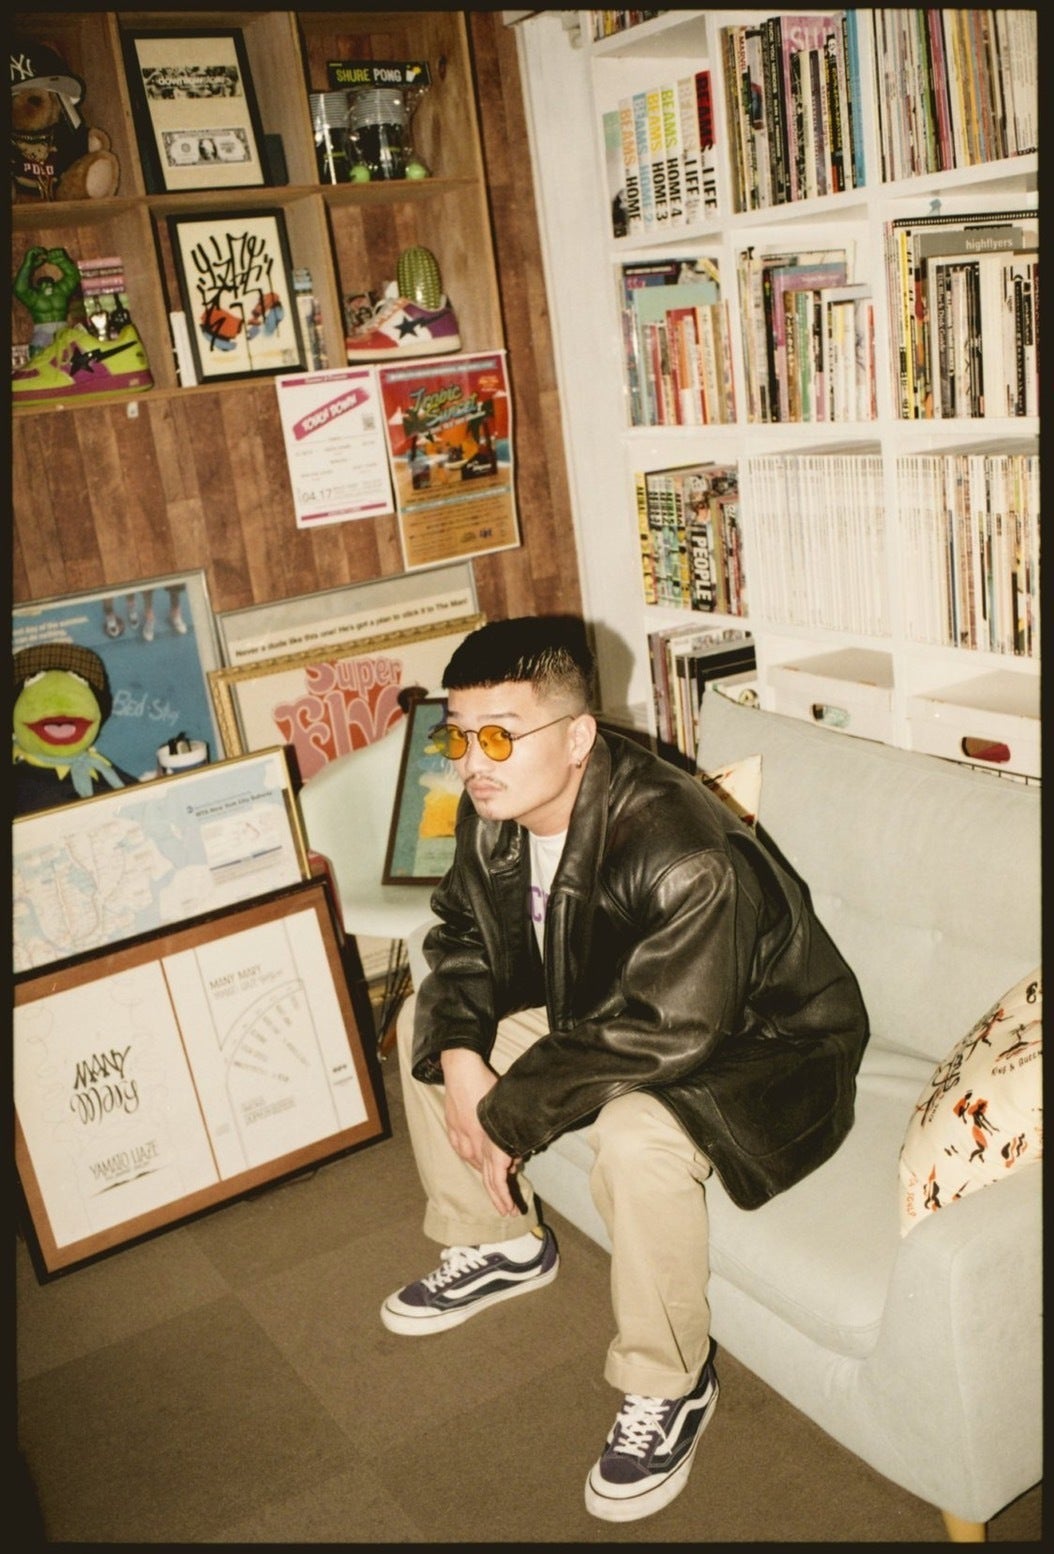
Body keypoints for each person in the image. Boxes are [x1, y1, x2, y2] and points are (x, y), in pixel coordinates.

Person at [382, 615, 869, 1524]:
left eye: (499, 736)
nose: (473, 762)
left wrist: (506, 1112)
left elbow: (667, 1030)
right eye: (460, 736)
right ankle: (498, 1241)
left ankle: (670, 1383)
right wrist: (461, 1057)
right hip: (618, 1003)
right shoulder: (496, 808)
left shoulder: (682, 848)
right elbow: (459, 934)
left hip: (765, 1042)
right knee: (427, 1024)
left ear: (577, 737)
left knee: (637, 1135)